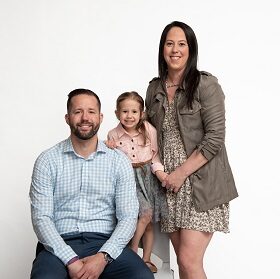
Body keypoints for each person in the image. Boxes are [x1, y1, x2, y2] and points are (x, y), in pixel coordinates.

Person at [145, 21, 238, 279]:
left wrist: (180, 174)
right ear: (162, 48)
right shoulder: (154, 89)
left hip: (201, 184)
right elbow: (147, 137)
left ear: (191, 49)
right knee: (183, 264)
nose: (175, 49)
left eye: (182, 44)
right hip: (168, 186)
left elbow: (215, 138)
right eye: (169, 43)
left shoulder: (206, 85)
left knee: (189, 260)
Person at [29, 88, 154, 279]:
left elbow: (128, 217)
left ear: (101, 117)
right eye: (78, 112)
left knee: (142, 277)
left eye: (91, 112)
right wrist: (70, 259)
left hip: (106, 243)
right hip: (59, 244)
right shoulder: (47, 161)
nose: (85, 117)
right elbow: (41, 219)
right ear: (67, 118)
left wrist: (103, 257)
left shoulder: (118, 161)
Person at [107, 91, 168, 273]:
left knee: (148, 222)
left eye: (134, 111)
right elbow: (111, 163)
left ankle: (146, 259)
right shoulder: (113, 135)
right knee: (143, 214)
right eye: (125, 111)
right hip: (128, 179)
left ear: (141, 113)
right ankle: (132, 252)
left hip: (148, 178)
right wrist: (108, 148)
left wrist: (161, 174)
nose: (129, 116)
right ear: (117, 113)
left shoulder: (149, 130)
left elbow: (155, 156)